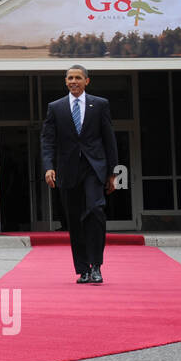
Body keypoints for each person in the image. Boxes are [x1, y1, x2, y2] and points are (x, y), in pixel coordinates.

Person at [41, 64, 118, 284]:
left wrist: (112, 173)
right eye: (70, 78)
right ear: (65, 81)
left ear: (86, 81)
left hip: (94, 168)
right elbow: (47, 140)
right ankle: (83, 269)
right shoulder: (56, 107)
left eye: (78, 78)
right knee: (74, 220)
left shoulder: (100, 105)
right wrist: (49, 166)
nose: (73, 81)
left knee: (95, 210)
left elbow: (109, 139)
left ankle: (97, 266)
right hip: (68, 170)